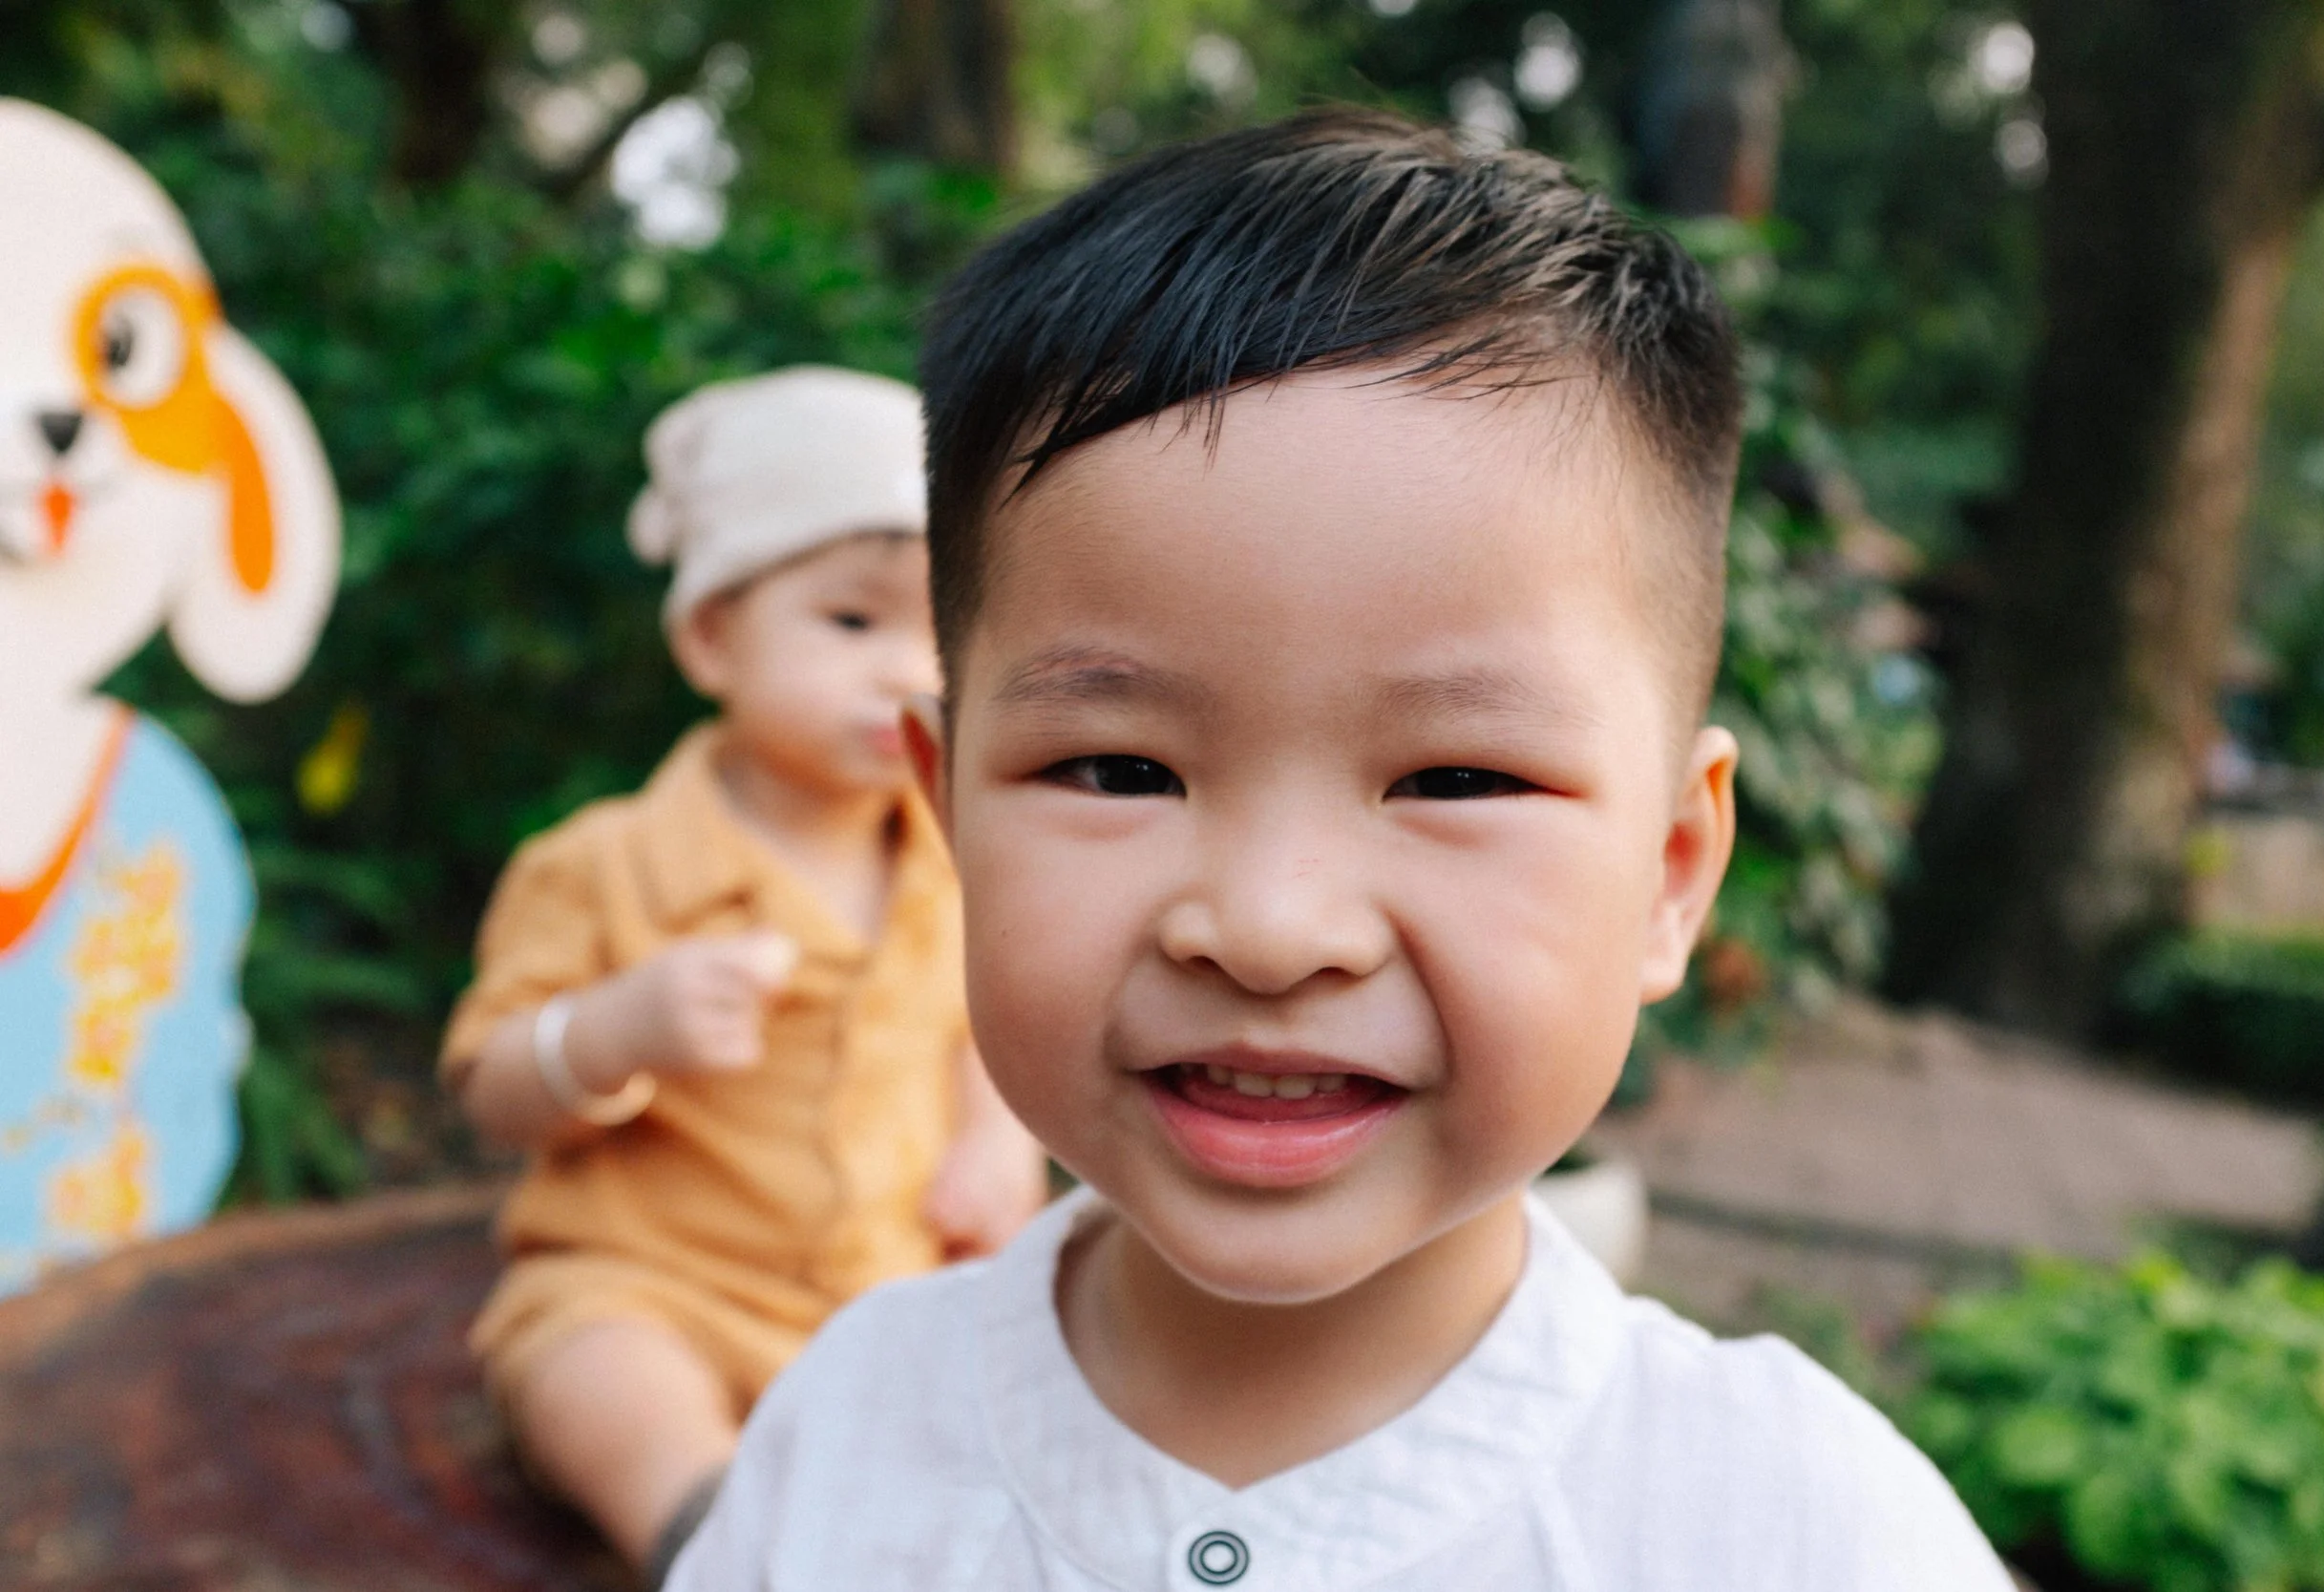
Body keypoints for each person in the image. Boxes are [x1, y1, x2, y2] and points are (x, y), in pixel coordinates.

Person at [670, 113, 2011, 1589]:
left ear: (1673, 870)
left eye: (1456, 773)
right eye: (1119, 768)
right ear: (952, 820)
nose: (1266, 924)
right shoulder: (851, 1425)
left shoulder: (1793, 1527)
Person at [438, 367, 1047, 1587]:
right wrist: (614, 1030)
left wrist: (996, 1139)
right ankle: (704, 1529)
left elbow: (980, 1023)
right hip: (655, 1281)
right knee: (586, 1366)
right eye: (852, 622)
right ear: (712, 636)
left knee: (1023, 1372)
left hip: (881, 1300)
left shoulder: (958, 855)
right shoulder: (603, 864)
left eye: (942, 631)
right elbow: (489, 1087)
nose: (905, 673)